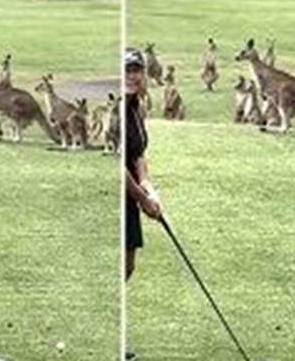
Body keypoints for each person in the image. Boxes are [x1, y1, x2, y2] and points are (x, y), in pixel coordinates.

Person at [123, 48, 163, 361]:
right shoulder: (119, 110)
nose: (133, 76)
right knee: (119, 266)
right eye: (127, 70)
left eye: (137, 70)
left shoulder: (136, 107)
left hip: (132, 193)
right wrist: (142, 198)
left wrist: (148, 186)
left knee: (127, 266)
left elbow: (137, 154)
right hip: (120, 196)